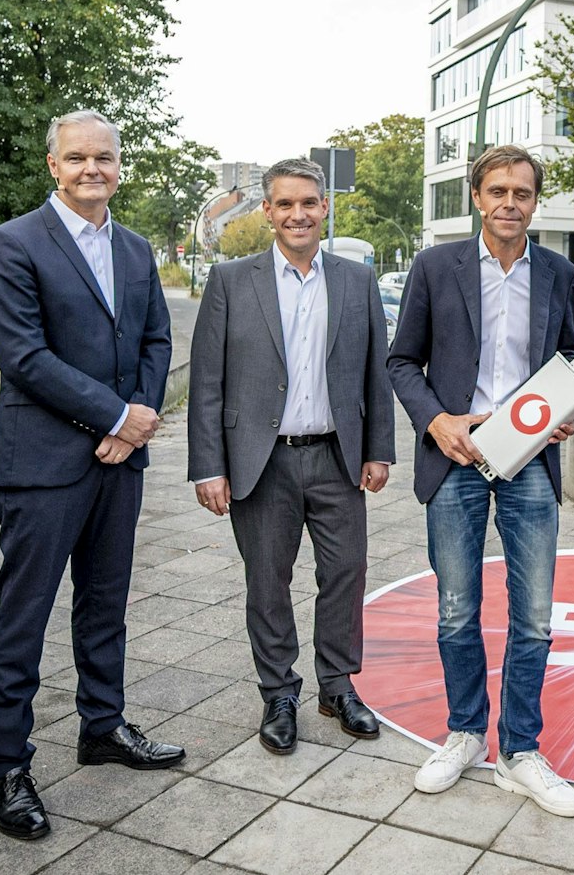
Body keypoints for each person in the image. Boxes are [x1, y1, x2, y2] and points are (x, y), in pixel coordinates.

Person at [0, 110, 183, 842]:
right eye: (77, 157)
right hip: (45, 464)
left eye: (105, 157)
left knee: (105, 604)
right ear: (53, 166)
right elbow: (24, 358)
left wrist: (139, 416)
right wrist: (117, 417)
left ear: (119, 164)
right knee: (22, 617)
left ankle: (103, 725)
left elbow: (156, 337)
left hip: (117, 464)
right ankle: (8, 767)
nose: (93, 167)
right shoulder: (9, 245)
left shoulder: (134, 246)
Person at [386, 145, 574, 818]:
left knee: (533, 617)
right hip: (457, 457)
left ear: (536, 201)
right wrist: (436, 421)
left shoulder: (559, 272)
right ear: (476, 197)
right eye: (497, 190)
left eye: (522, 192)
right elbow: (401, 360)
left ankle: (520, 751)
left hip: (530, 459)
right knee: (455, 609)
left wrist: (562, 411)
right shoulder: (435, 266)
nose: (510, 202)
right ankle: (466, 732)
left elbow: (568, 355)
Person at [187, 157, 396, 756]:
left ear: (324, 206)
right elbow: (207, 382)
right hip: (260, 462)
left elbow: (373, 375)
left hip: (337, 457)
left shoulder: (356, 281)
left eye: (308, 202)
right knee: (268, 584)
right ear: (267, 211)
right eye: (285, 204)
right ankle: (278, 692)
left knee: (346, 574)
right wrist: (209, 465)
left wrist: (379, 449)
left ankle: (337, 685)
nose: (297, 214)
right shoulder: (231, 281)